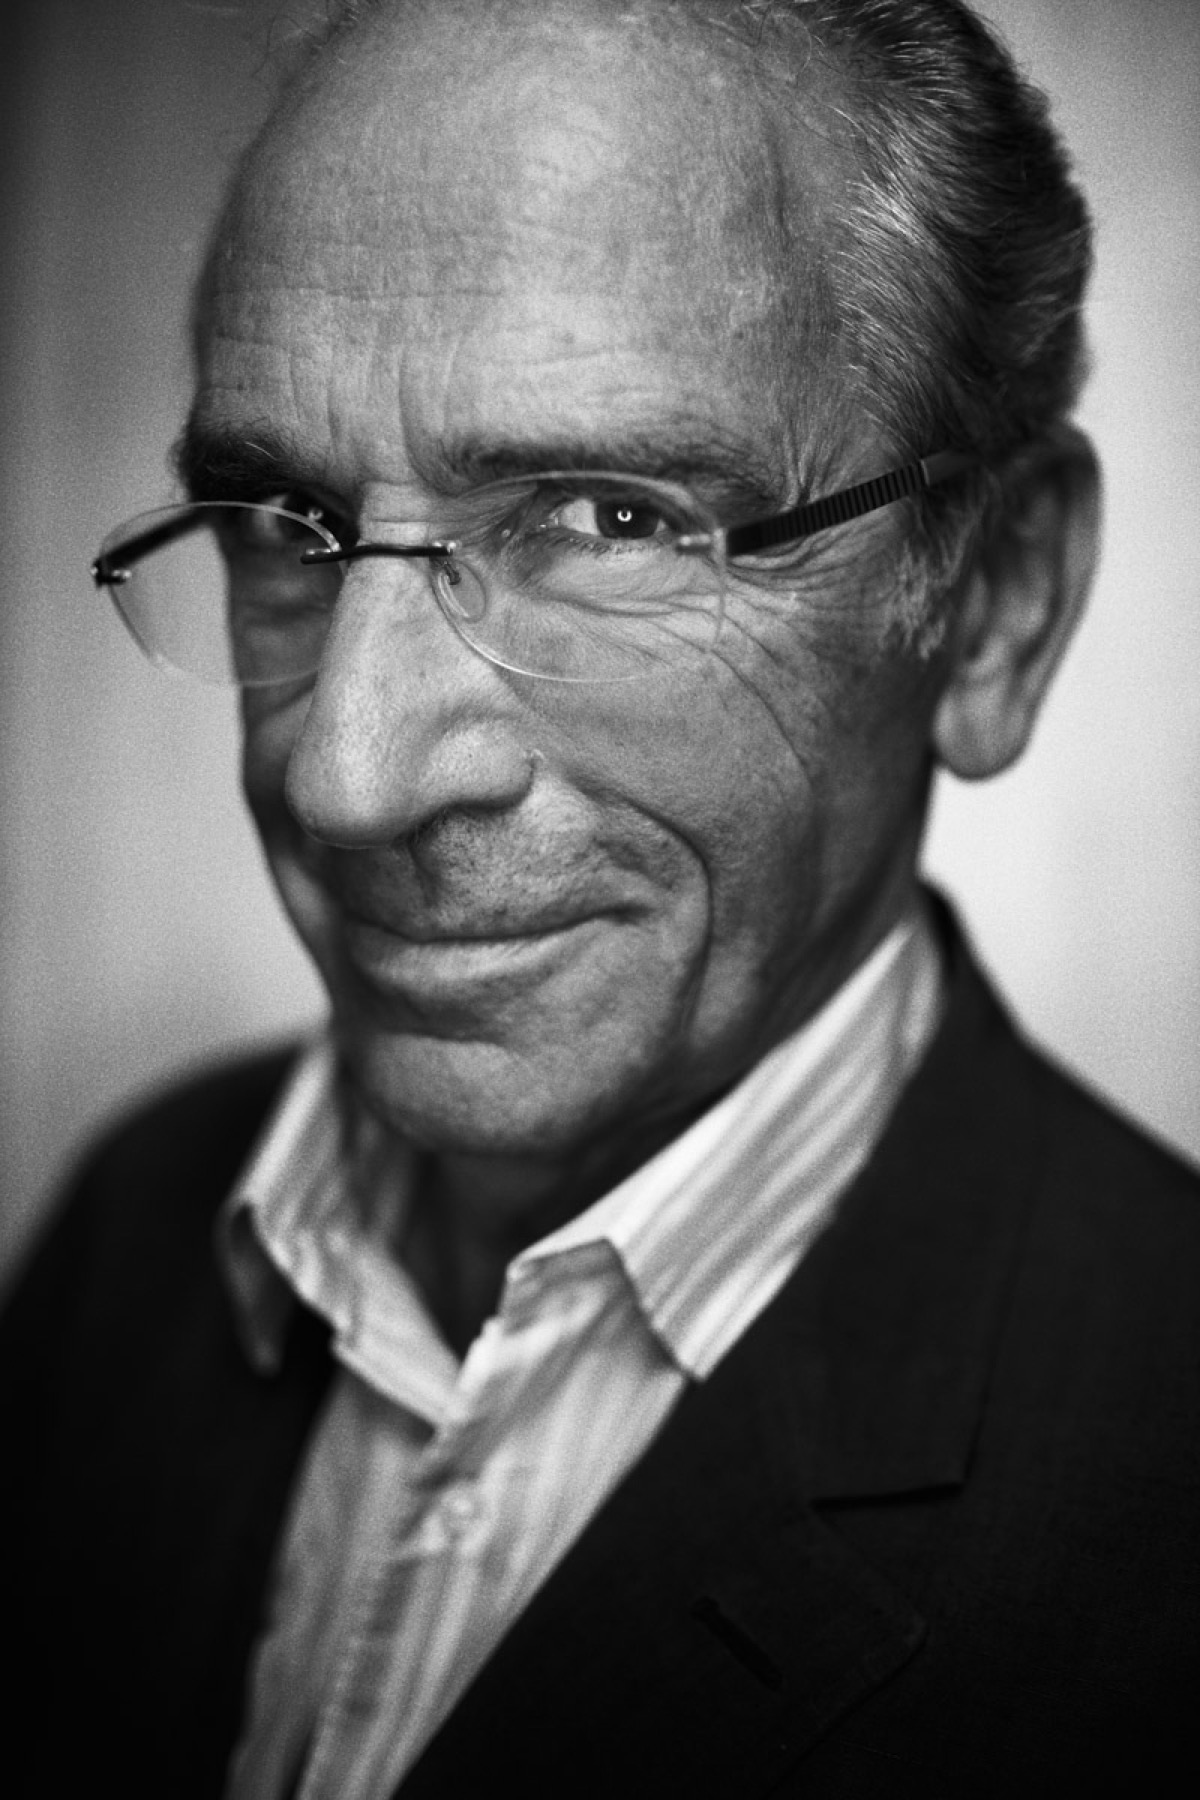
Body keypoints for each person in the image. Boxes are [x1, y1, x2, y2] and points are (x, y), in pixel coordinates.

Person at [3, 0, 1198, 1794]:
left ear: (997, 604)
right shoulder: (140, 1226)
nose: (346, 773)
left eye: (607, 521)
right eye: (284, 523)